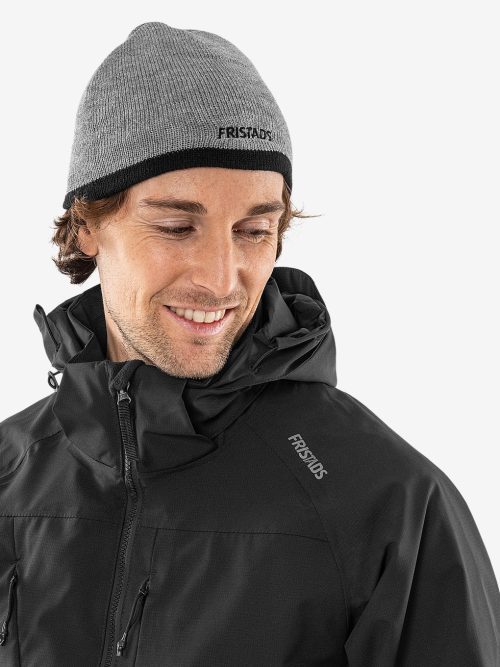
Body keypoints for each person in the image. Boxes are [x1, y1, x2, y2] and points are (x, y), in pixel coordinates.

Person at [0, 20, 498, 666]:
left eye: (255, 230)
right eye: (177, 227)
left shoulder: (389, 505)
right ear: (87, 223)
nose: (220, 278)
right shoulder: (9, 477)